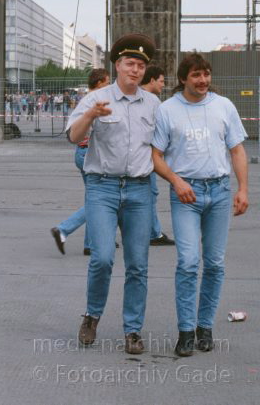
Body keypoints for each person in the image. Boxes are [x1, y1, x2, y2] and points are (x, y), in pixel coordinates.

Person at [66, 33, 160, 355]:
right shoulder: (96, 98)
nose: (135, 70)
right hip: (102, 187)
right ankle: (92, 315)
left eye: (141, 66)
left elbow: (162, 149)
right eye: (129, 64)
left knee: (138, 264)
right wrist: (90, 116)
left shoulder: (153, 103)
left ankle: (133, 330)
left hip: (139, 190)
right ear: (117, 65)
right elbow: (72, 136)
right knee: (103, 258)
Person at [151, 53, 249, 357]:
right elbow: (155, 156)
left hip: (219, 192)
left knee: (215, 263)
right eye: (196, 75)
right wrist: (177, 182)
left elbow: (237, 150)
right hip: (186, 196)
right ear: (183, 78)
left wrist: (243, 188)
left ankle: (204, 328)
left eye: (206, 74)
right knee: (188, 262)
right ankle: (185, 331)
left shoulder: (224, 106)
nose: (203, 80)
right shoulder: (167, 111)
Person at [51, 68, 111, 255]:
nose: (110, 86)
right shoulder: (95, 100)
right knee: (98, 200)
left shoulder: (88, 98)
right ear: (99, 82)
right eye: (107, 82)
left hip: (83, 152)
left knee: (93, 198)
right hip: (89, 153)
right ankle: (64, 229)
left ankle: (90, 243)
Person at [140, 65, 176, 247]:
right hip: (146, 158)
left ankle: (154, 232)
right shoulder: (152, 102)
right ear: (152, 80)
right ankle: (66, 227)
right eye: (161, 81)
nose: (163, 84)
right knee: (109, 201)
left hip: (144, 157)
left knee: (148, 195)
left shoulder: (142, 98)